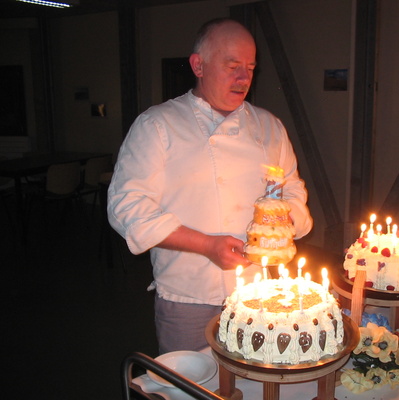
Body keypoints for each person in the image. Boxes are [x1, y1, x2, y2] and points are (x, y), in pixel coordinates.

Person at [107, 18, 313, 353]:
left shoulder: (269, 126)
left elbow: (293, 192)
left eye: (249, 67)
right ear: (198, 65)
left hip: (262, 293)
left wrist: (278, 223)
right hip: (189, 300)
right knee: (192, 388)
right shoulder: (157, 125)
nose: (243, 78)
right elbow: (127, 206)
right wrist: (205, 245)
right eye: (232, 66)